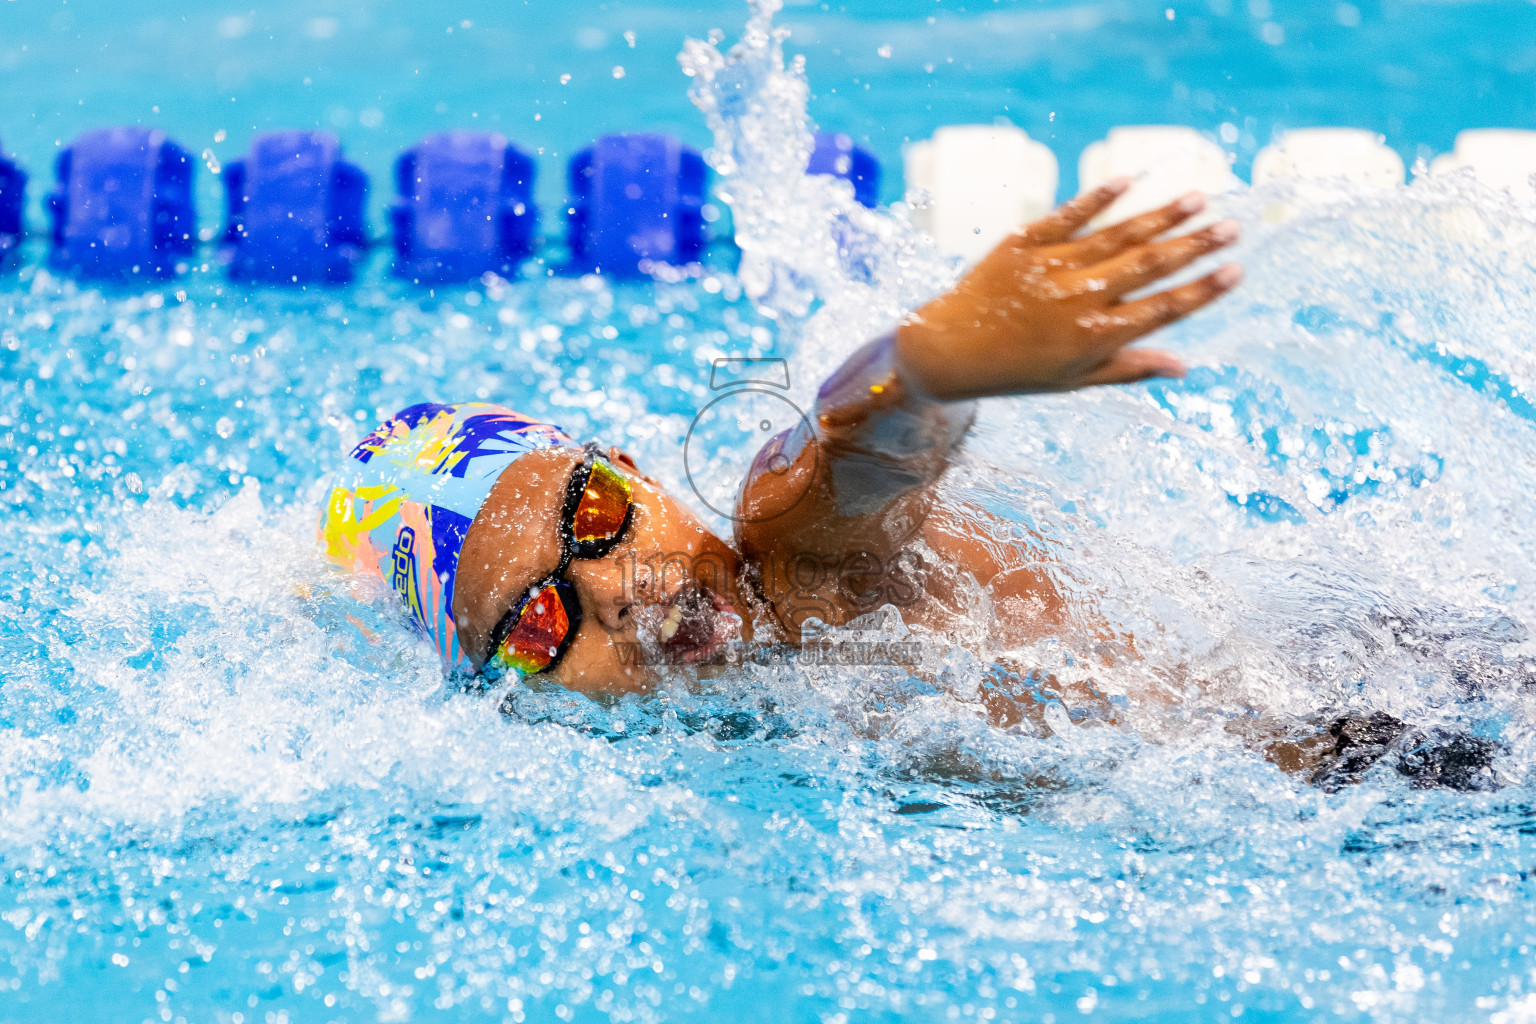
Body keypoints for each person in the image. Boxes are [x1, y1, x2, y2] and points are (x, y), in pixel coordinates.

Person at [320, 179, 1243, 702]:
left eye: (597, 516)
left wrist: (929, 366)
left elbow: (855, 455)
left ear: (637, 479)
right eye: (537, 621)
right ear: (511, 688)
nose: (615, 588)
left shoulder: (789, 561)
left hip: (1346, 730)